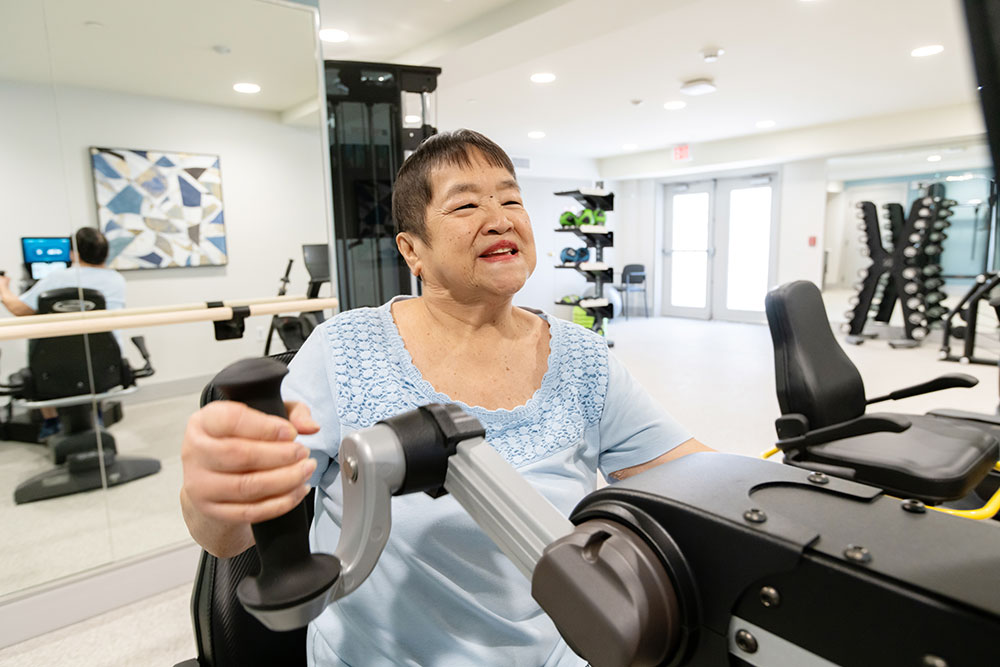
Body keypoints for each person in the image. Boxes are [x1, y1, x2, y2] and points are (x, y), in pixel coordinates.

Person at [180, 129, 711, 666]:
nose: (501, 218)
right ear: (412, 250)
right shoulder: (344, 349)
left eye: (511, 199)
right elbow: (228, 538)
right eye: (466, 204)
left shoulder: (581, 357)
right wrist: (219, 489)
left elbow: (694, 480)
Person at [0, 226, 126, 437]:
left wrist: (3, 287)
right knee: (87, 363)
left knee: (44, 362)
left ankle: (52, 423)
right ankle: (95, 417)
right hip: (106, 364)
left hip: (56, 369)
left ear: (74, 253)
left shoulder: (57, 278)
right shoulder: (117, 280)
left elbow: (19, 309)